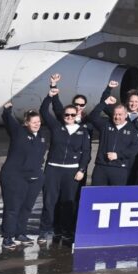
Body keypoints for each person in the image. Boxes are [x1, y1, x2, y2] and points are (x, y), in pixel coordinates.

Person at [38, 76, 91, 244]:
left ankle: (65, 231)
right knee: (49, 201)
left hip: (71, 171)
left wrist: (81, 170)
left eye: (72, 114)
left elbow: (86, 153)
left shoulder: (83, 131)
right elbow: (44, 111)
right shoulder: (56, 126)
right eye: (66, 114)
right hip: (53, 169)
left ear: (76, 115)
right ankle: (45, 230)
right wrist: (50, 94)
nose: (69, 116)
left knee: (68, 203)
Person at [0, 101, 48, 249]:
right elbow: (8, 119)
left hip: (34, 178)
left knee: (27, 207)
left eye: (38, 121)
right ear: (26, 123)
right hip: (14, 177)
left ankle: (20, 233)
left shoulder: (41, 136)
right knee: (13, 208)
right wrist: (7, 109)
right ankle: (7, 237)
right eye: (33, 122)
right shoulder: (18, 132)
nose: (37, 124)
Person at [88, 90, 138, 186]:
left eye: (120, 114)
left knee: (116, 194)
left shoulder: (133, 130)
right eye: (115, 114)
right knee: (97, 193)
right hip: (101, 167)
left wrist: (118, 155)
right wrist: (104, 103)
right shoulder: (105, 125)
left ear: (126, 115)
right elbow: (93, 117)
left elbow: (134, 149)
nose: (117, 117)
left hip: (120, 168)